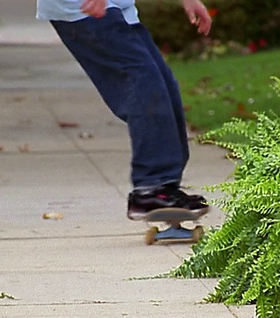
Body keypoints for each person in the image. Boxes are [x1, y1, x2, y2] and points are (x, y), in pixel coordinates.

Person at [36, 0, 212, 220]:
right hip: (84, 10)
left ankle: (164, 188)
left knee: (164, 87)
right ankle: (150, 187)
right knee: (144, 85)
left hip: (117, 10)